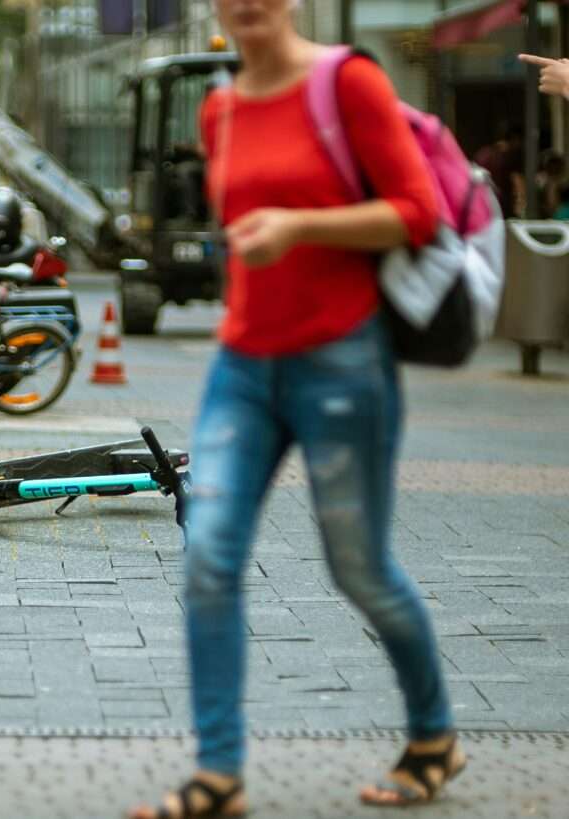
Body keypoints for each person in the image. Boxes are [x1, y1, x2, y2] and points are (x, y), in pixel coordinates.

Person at [130, 1, 463, 816]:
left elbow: (418, 211)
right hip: (243, 367)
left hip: (343, 365)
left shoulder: (347, 82)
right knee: (208, 555)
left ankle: (433, 735)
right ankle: (219, 773)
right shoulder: (219, 109)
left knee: (359, 567)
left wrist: (300, 227)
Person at [473, 126, 525, 218]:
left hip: (481, 205)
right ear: (515, 139)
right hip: (501, 206)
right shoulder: (510, 156)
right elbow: (517, 182)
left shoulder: (482, 154)